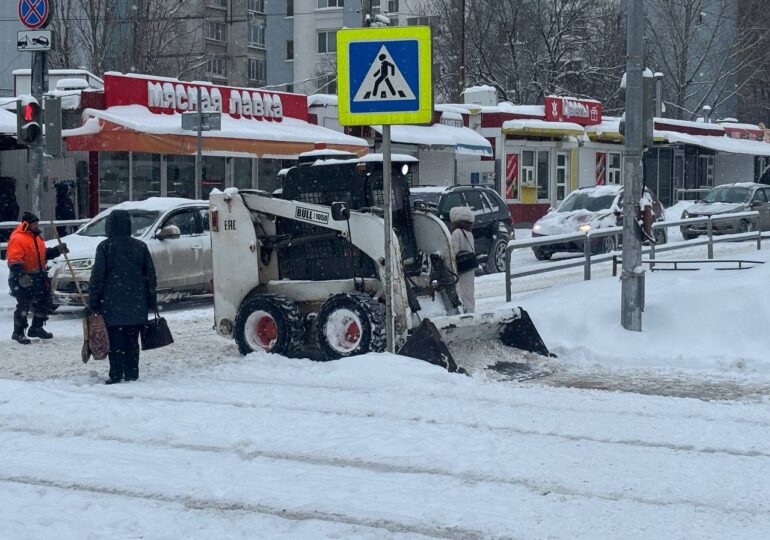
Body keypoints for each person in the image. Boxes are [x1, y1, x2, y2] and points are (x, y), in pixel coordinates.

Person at [89, 210, 157, 384]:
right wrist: (151, 299)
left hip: (111, 304)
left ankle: (117, 373)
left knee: (115, 341)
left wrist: (94, 301)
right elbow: (150, 275)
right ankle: (132, 372)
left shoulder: (105, 247)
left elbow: (98, 277)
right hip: (137, 303)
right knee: (132, 341)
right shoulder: (140, 246)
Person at [7, 211, 68, 344]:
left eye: (37, 223)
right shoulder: (18, 238)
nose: (36, 226)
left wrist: (57, 250)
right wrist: (21, 275)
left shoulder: (37, 238)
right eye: (34, 223)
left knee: (45, 301)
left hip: (38, 276)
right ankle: (18, 332)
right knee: (23, 305)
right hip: (22, 277)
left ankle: (36, 327)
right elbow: (13, 259)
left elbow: (42, 255)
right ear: (26, 224)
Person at [450, 206, 476, 313]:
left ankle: (464, 312)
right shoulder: (469, 233)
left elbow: (453, 251)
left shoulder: (457, 233)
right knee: (469, 291)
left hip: (461, 268)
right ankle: (470, 310)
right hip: (469, 267)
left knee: (461, 290)